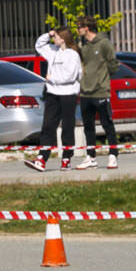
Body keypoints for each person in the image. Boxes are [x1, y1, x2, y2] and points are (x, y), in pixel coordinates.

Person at [26, 28, 81, 172]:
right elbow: (39, 45)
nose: (53, 39)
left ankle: (66, 159)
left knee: (67, 126)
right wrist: (48, 34)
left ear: (63, 38)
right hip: (52, 94)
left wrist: (52, 78)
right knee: (48, 126)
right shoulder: (52, 50)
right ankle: (42, 159)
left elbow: (70, 76)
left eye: (55, 36)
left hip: (68, 94)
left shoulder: (73, 55)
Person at [74, 19, 119, 170]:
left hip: (100, 91)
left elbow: (113, 64)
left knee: (107, 124)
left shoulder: (104, 43)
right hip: (85, 93)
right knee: (88, 126)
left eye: (79, 27)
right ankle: (91, 157)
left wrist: (102, 79)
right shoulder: (84, 47)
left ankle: (113, 155)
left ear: (87, 28)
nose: (78, 30)